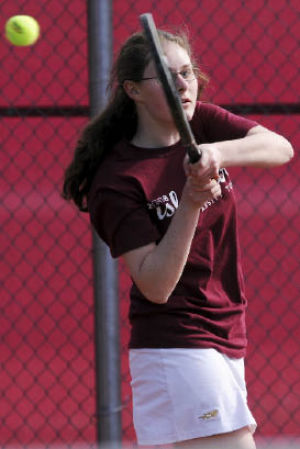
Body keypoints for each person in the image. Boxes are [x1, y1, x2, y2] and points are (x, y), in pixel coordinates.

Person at [62, 28, 293, 449]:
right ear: (132, 90)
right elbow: (155, 284)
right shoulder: (117, 181)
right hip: (177, 343)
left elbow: (279, 148)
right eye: (167, 77)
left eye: (187, 72)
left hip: (225, 334)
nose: (184, 85)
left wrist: (219, 153)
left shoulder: (201, 121)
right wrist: (188, 203)